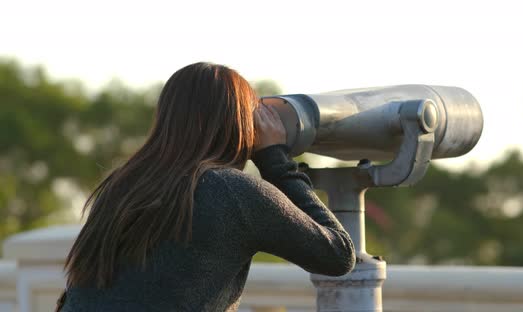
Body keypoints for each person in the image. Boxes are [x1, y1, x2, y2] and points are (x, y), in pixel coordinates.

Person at [56, 62, 356, 311]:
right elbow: (338, 255)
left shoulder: (121, 185)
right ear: (243, 125)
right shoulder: (231, 192)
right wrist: (274, 158)